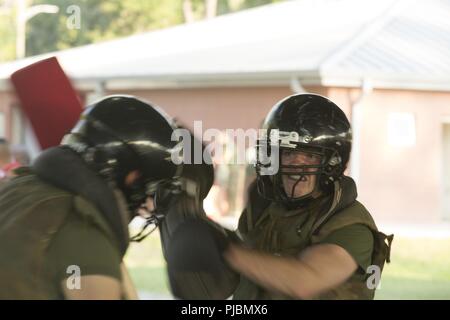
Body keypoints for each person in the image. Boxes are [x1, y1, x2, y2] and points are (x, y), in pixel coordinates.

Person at [165, 93, 393, 300]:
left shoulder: (350, 223)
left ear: (331, 162)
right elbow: (240, 274)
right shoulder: (266, 209)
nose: (297, 163)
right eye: (289, 153)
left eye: (309, 156)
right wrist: (186, 217)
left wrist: (226, 249)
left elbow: (305, 280)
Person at [0, 95, 185, 299]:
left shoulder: (18, 188)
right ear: (130, 176)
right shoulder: (84, 231)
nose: (146, 200)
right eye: (147, 186)